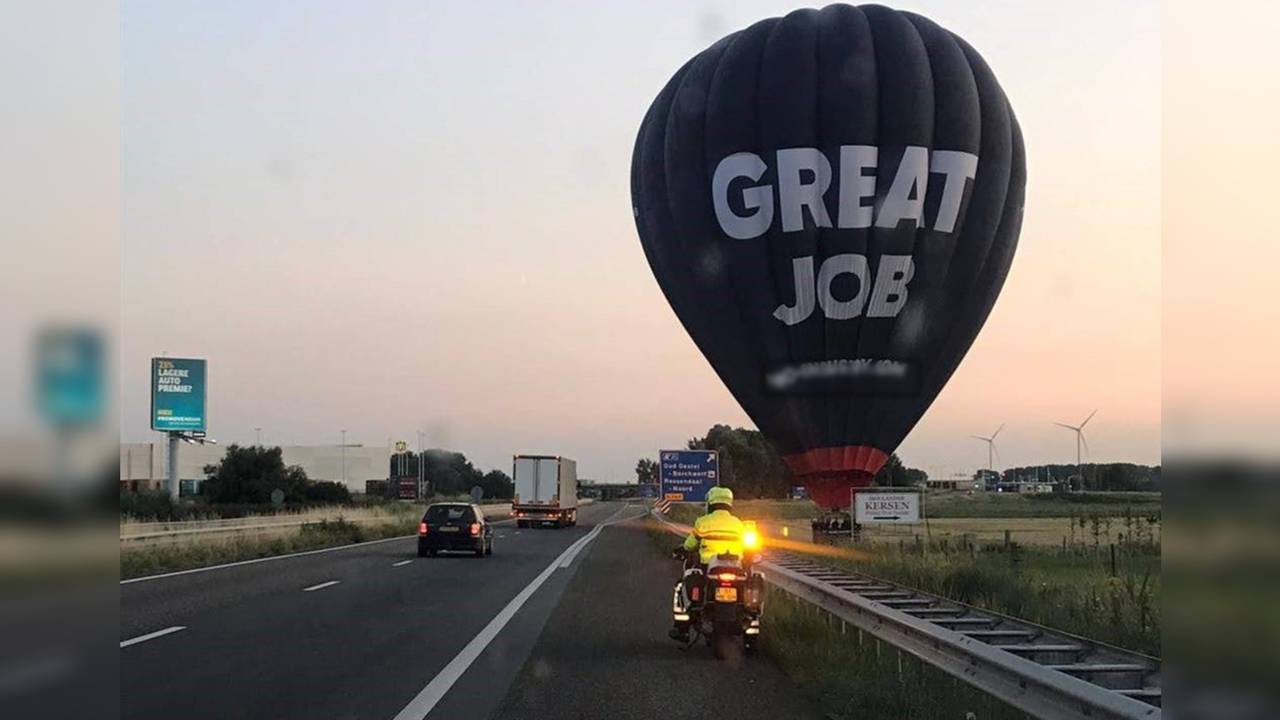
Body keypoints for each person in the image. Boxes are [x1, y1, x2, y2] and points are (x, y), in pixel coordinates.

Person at [669, 486, 745, 641]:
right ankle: (751, 636)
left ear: (710, 502)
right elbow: (747, 546)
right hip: (736, 568)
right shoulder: (738, 524)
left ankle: (681, 628)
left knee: (682, 585)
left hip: (708, 566)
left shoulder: (702, 522)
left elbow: (689, 546)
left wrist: (682, 550)